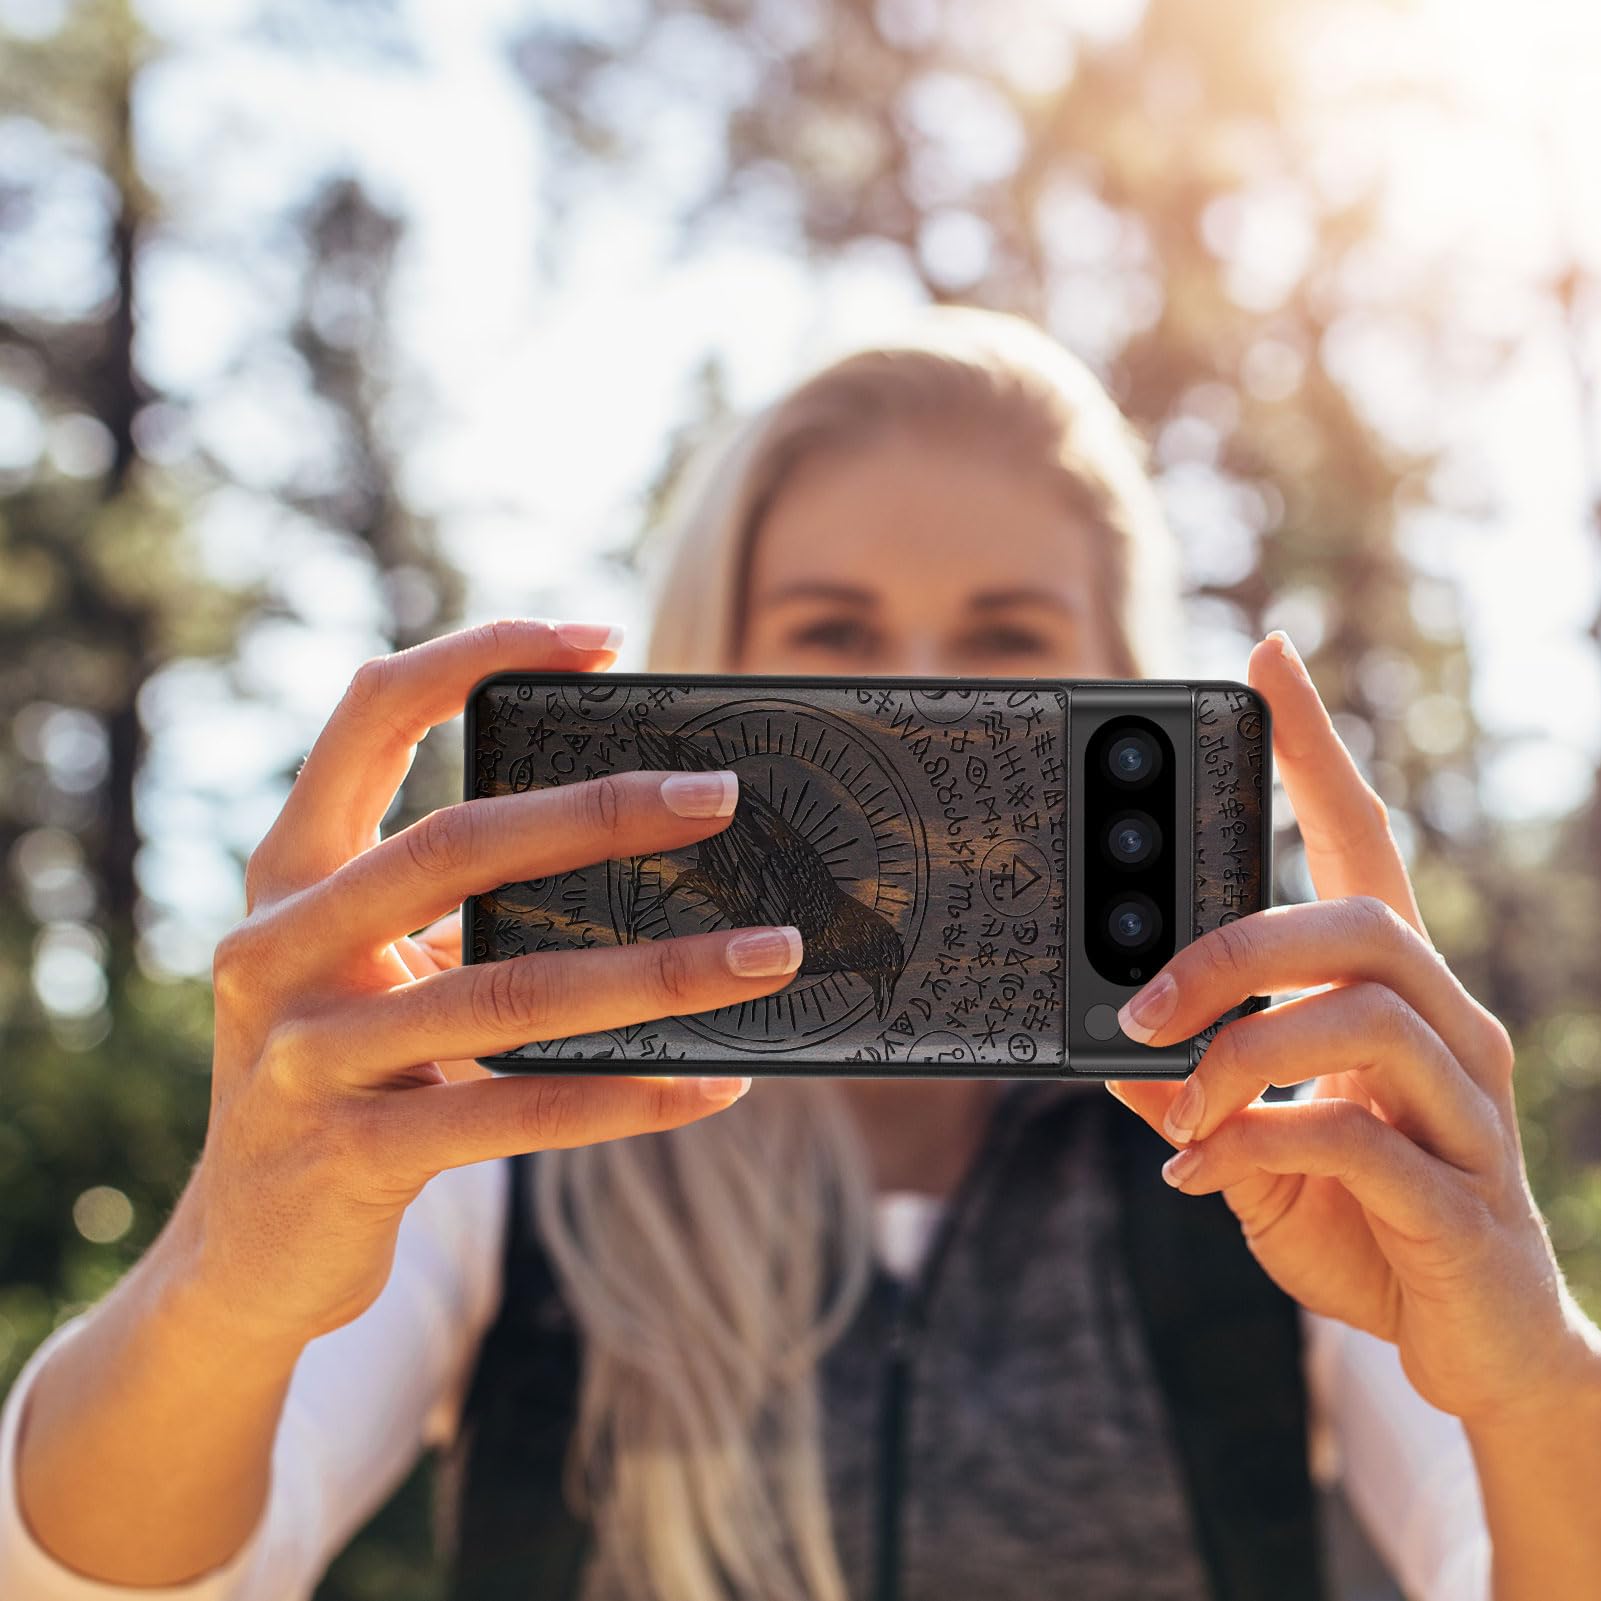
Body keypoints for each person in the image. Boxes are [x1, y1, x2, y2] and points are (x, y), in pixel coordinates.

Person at [3, 306, 1600, 1601]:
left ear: (1122, 686)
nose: (913, 707)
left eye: (1003, 646)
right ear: (711, 680)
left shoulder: (1270, 1153)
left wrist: (1532, 1381)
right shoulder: (506, 1138)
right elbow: (111, 1580)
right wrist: (229, 1271)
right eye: (831, 638)